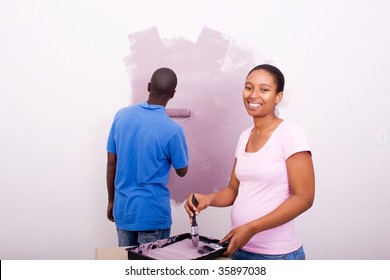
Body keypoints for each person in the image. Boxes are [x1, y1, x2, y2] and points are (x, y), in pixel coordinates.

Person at [185, 64, 315, 260]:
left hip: (277, 256)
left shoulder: (290, 133)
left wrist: (252, 228)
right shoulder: (245, 136)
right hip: (239, 249)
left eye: (264, 89)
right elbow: (233, 190)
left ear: (278, 97)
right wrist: (208, 199)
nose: (253, 95)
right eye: (248, 87)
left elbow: (304, 198)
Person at [107, 67, 189, 247]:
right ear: (173, 94)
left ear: (149, 86)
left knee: (129, 269)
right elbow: (182, 170)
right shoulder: (173, 130)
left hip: (124, 210)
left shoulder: (121, 117)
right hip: (153, 214)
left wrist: (111, 201)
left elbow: (111, 163)